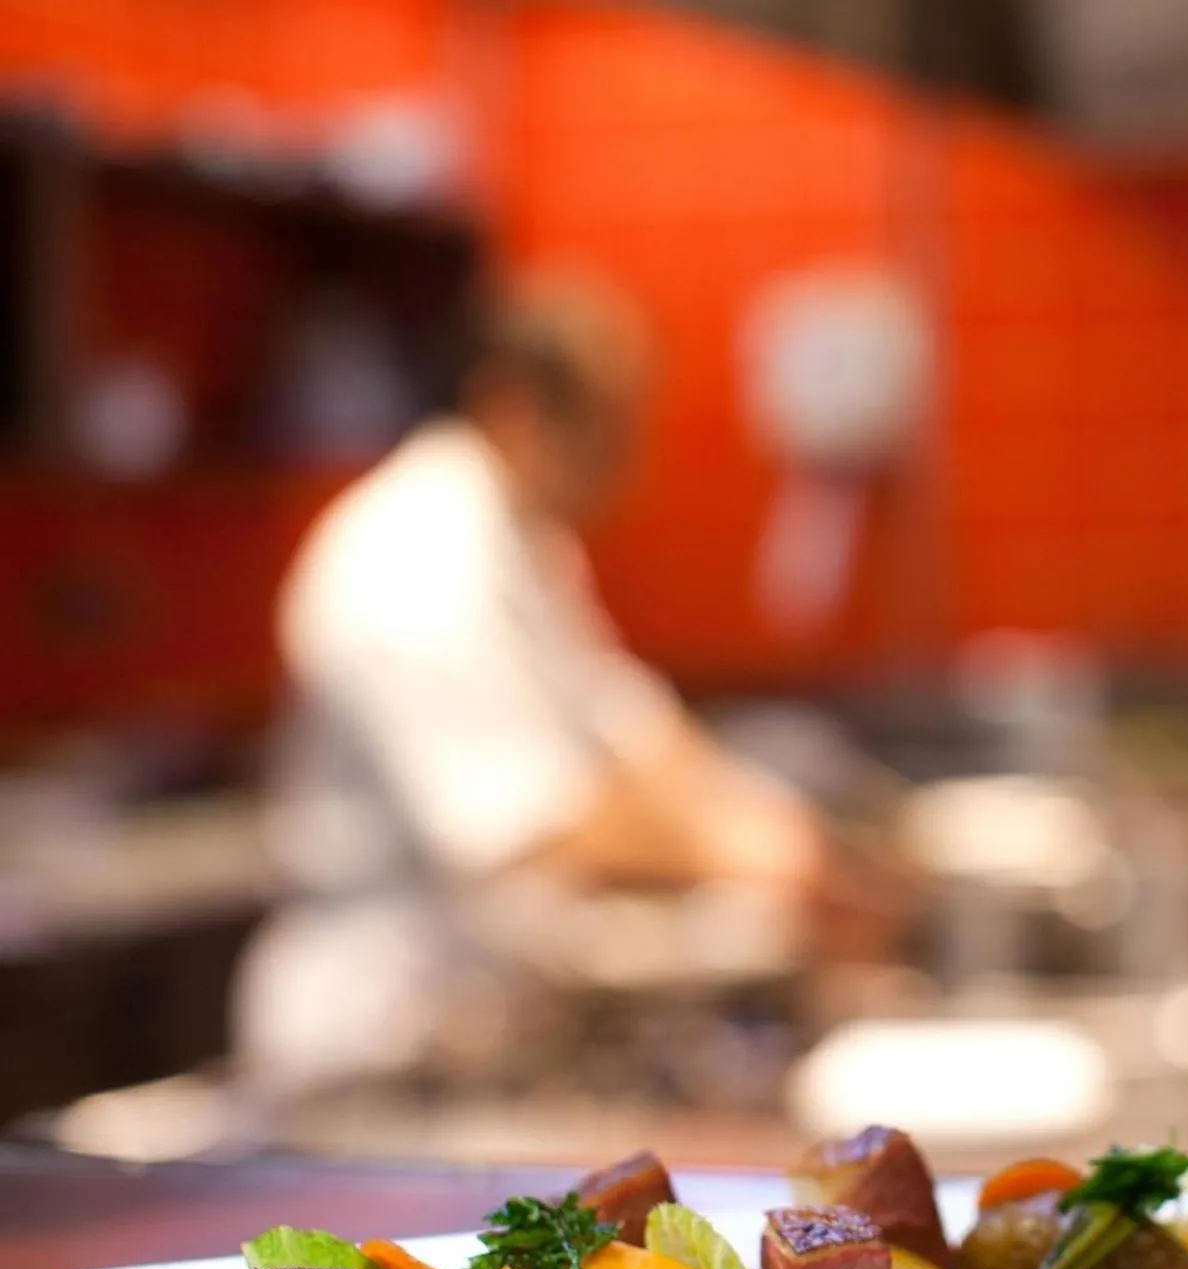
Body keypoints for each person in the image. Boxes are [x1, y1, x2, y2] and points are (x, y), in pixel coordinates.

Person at [236, 274, 829, 1101]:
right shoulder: (412, 554)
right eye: (605, 427)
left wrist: (757, 816)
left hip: (479, 1014)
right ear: (515, 406)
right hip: (378, 1033)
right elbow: (519, 826)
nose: (629, 459)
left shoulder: (528, 539)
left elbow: (627, 723)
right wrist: (728, 849)